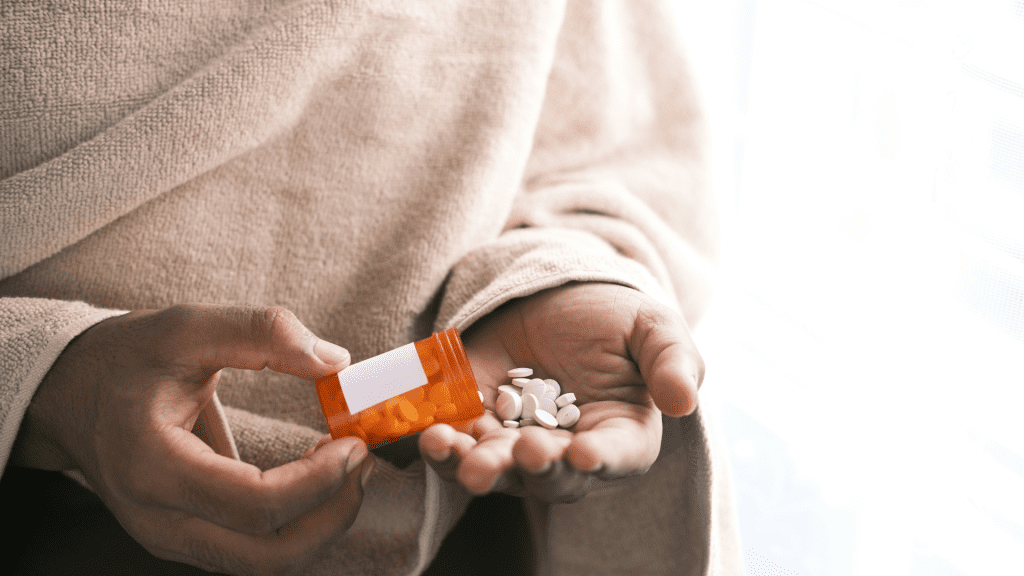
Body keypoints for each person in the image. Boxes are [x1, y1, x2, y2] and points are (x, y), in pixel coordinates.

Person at [0, 0, 742, 574]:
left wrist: (557, 280)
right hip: (47, 513)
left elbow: (614, 147)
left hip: (465, 515)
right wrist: (42, 377)